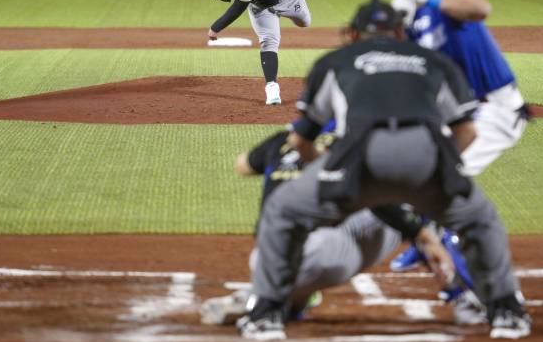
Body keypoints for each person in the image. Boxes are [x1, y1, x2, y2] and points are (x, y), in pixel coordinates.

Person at [237, 0, 531, 341]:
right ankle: (507, 313)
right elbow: (467, 132)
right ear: (400, 33)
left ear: (353, 34)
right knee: (480, 219)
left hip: (360, 160)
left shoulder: (336, 61)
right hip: (423, 156)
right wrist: (439, 169)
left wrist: (329, 170)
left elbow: (301, 141)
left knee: (283, 211)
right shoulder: (433, 61)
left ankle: (267, 315)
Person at [200, 121, 486, 329]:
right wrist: (419, 233)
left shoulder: (283, 140)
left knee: (308, 230)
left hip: (263, 259)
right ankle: (462, 298)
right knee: (416, 198)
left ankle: (283, 300)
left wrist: (282, 163)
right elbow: (384, 203)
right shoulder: (352, 148)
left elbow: (242, 166)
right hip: (321, 256)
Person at [385, 0, 531, 273]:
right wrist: (399, 21)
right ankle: (427, 242)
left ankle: (469, 273)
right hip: (459, 114)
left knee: (441, 180)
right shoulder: (410, 12)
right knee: (418, 173)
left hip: (496, 112)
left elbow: (480, 8)